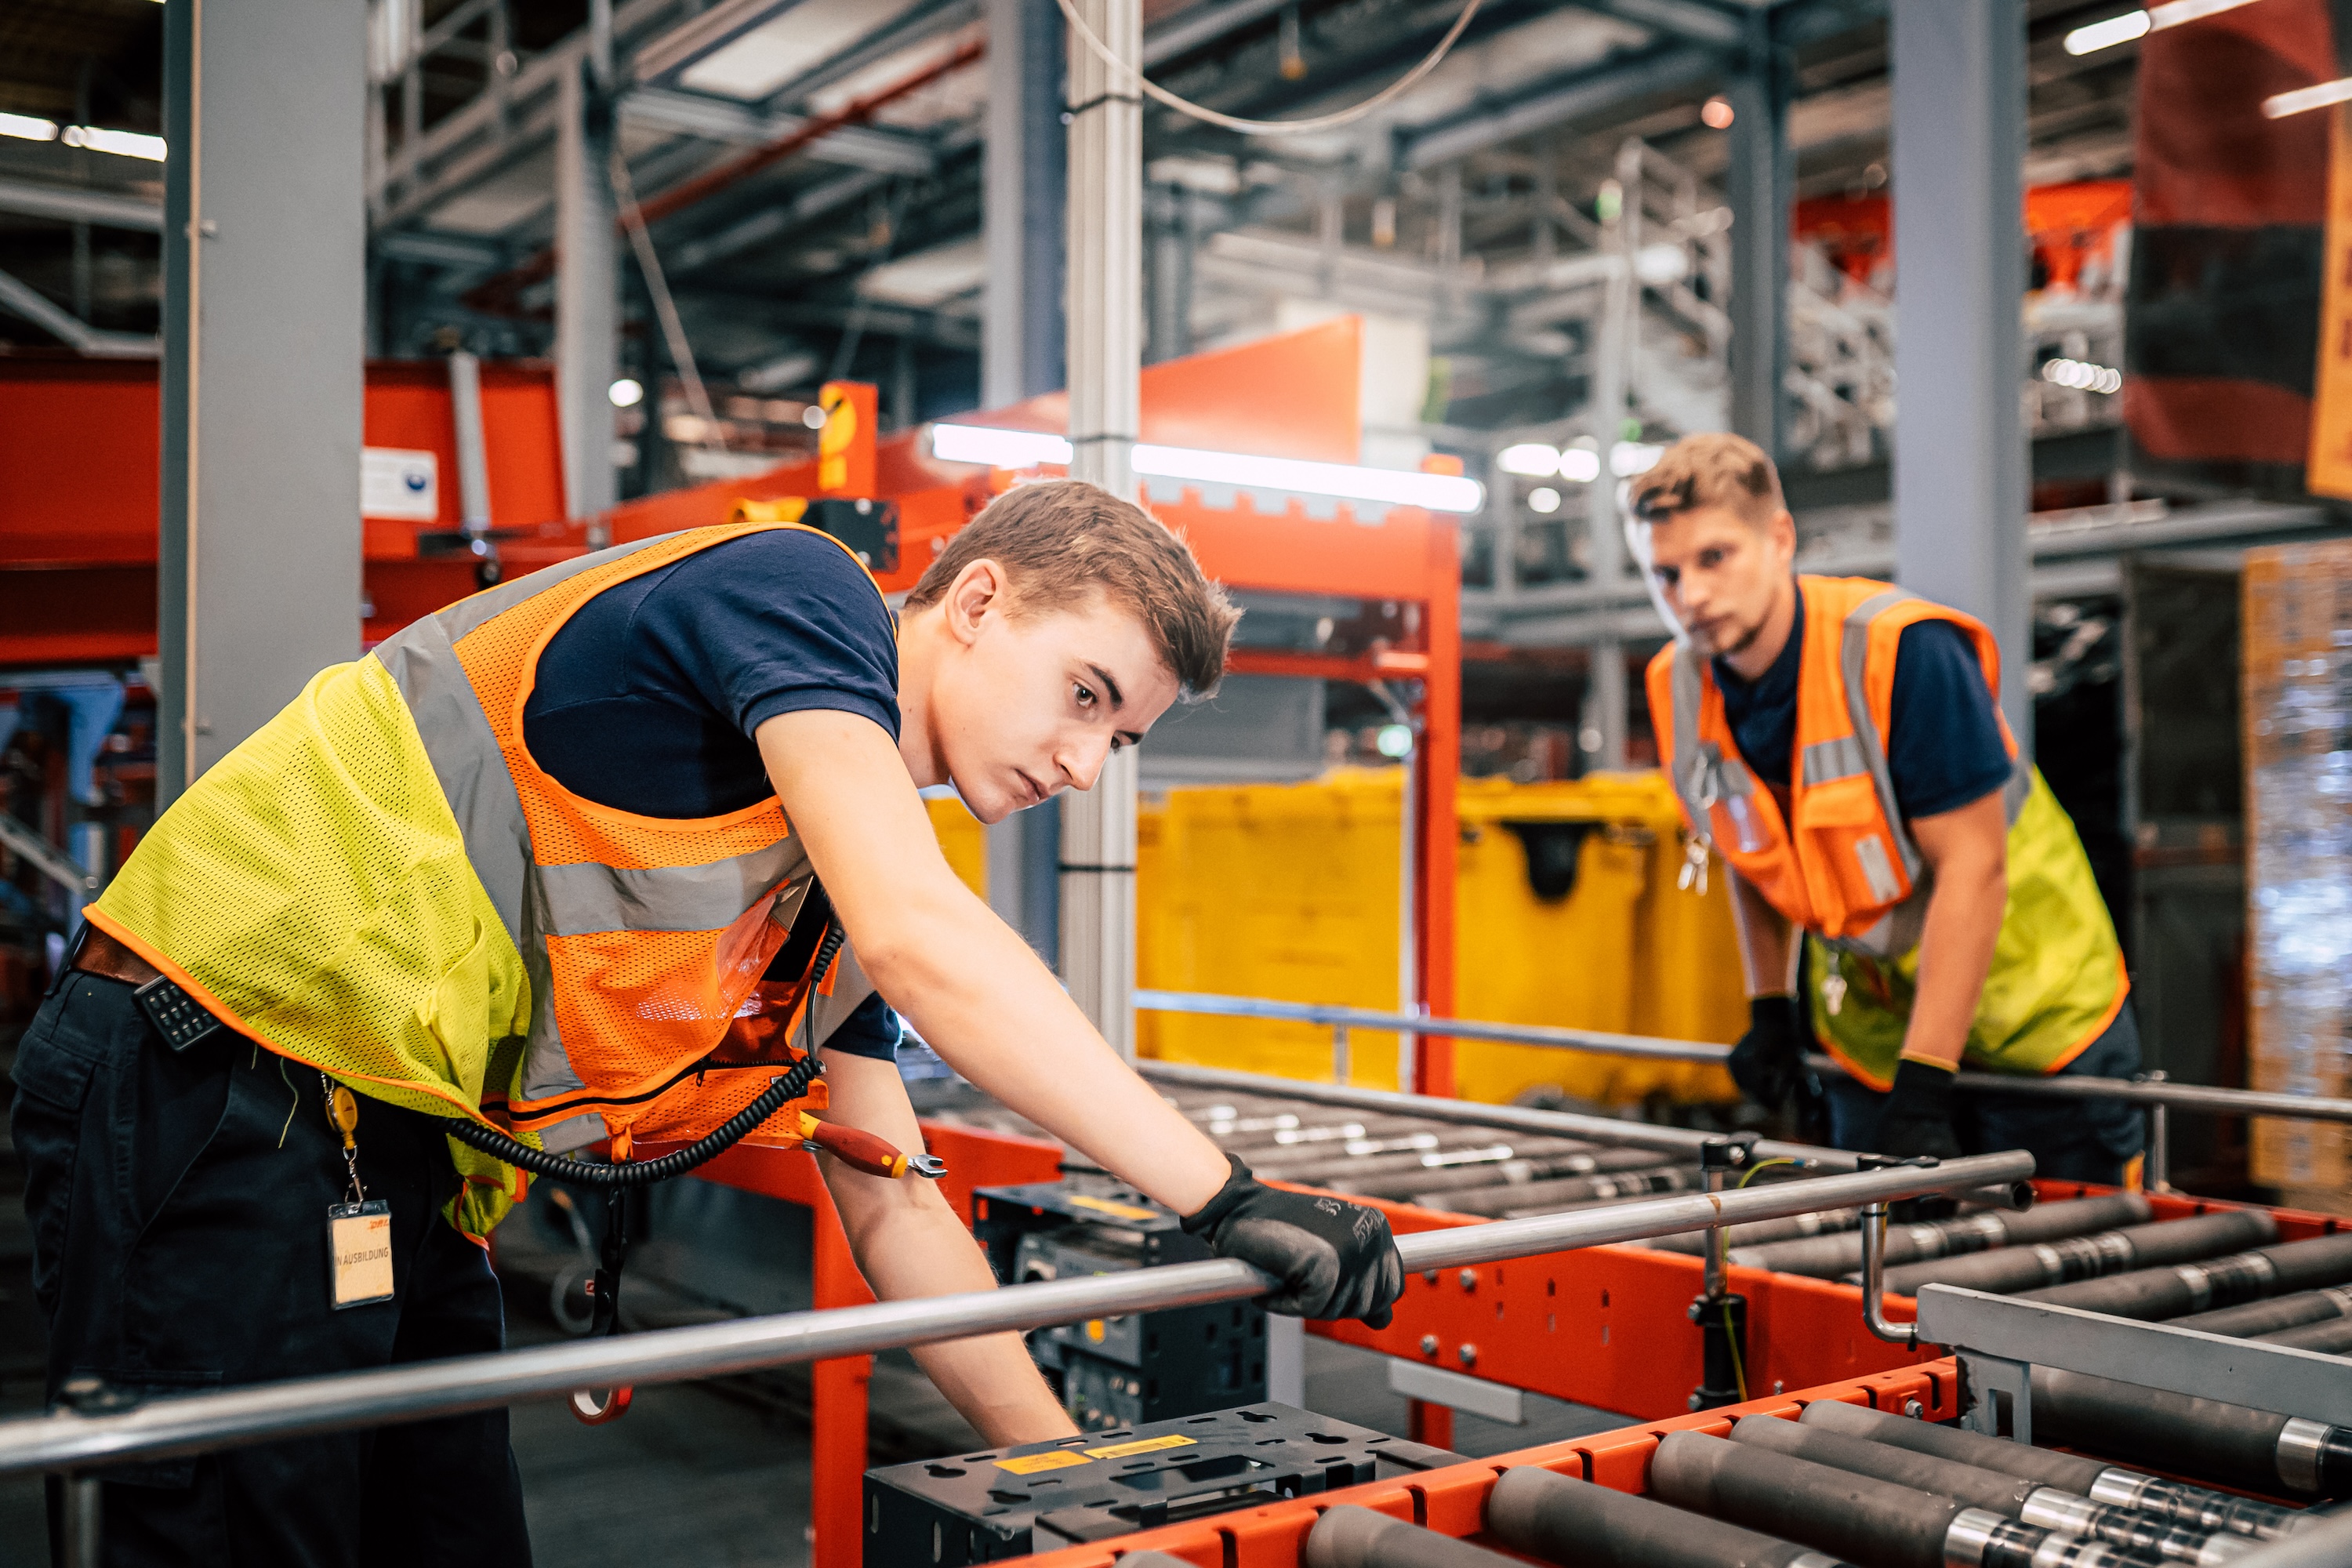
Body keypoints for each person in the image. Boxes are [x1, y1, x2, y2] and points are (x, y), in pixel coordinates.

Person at [12, 479, 1405, 1566]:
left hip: (393, 1161)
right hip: (209, 1077)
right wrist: (1220, 1197)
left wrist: (1079, 1485)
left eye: (1124, 738)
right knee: (243, 1540)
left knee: (452, 1540)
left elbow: (895, 1208)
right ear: (975, 603)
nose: (1085, 764)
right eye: (1087, 698)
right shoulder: (799, 590)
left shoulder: (830, 888)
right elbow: (930, 947)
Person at [1628, 434, 2143, 1181]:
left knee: (2068, 1268)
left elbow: (1973, 868)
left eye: (1714, 558)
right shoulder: (1679, 685)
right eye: (1665, 574)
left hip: (2033, 1017)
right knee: (1876, 1273)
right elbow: (1751, 845)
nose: (1691, 597)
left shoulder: (1901, 651)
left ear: (1779, 539)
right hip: (1875, 1029)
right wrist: (1768, 1006)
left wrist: (1927, 1081)